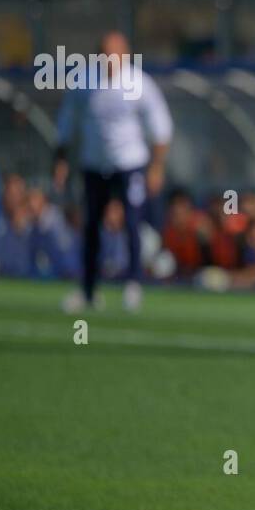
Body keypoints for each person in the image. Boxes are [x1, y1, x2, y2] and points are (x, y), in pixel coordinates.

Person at [54, 31, 172, 312]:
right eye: (106, 53)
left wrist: (156, 167)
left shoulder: (138, 83)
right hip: (94, 166)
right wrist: (61, 160)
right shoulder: (84, 81)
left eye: (116, 53)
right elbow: (67, 123)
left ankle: (133, 284)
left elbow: (161, 128)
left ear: (126, 55)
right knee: (92, 225)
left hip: (130, 165)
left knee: (132, 222)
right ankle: (89, 291)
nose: (110, 60)